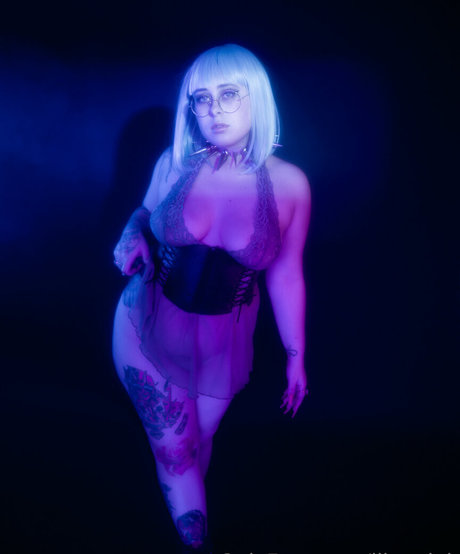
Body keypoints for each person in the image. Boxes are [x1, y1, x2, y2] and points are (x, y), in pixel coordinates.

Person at [112, 43, 311, 553]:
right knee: (176, 454)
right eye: (201, 98)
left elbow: (286, 275)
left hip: (224, 343)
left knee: (195, 445)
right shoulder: (174, 164)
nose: (213, 109)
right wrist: (132, 236)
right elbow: (143, 213)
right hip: (146, 321)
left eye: (228, 95)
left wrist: (296, 356)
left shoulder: (290, 185)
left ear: (256, 98)